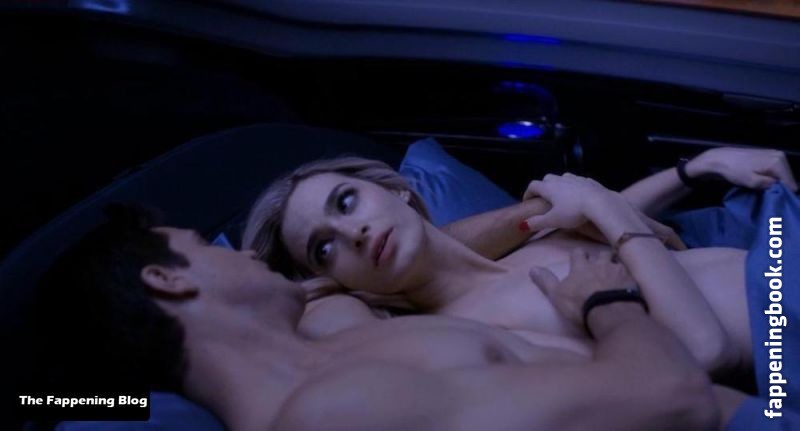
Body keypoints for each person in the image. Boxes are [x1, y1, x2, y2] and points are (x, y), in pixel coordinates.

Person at [34, 204, 725, 431]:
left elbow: (422, 254)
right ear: (168, 279)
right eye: (201, 244)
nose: (243, 252)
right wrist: (608, 305)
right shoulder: (333, 413)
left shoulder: (336, 338)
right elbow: (675, 399)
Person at [242, 147, 797, 382]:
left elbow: (594, 223)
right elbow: (701, 356)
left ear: (394, 190)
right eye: (324, 248)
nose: (353, 233)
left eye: (346, 202)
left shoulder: (520, 252)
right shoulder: (472, 334)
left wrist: (698, 167)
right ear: (337, 281)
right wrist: (602, 205)